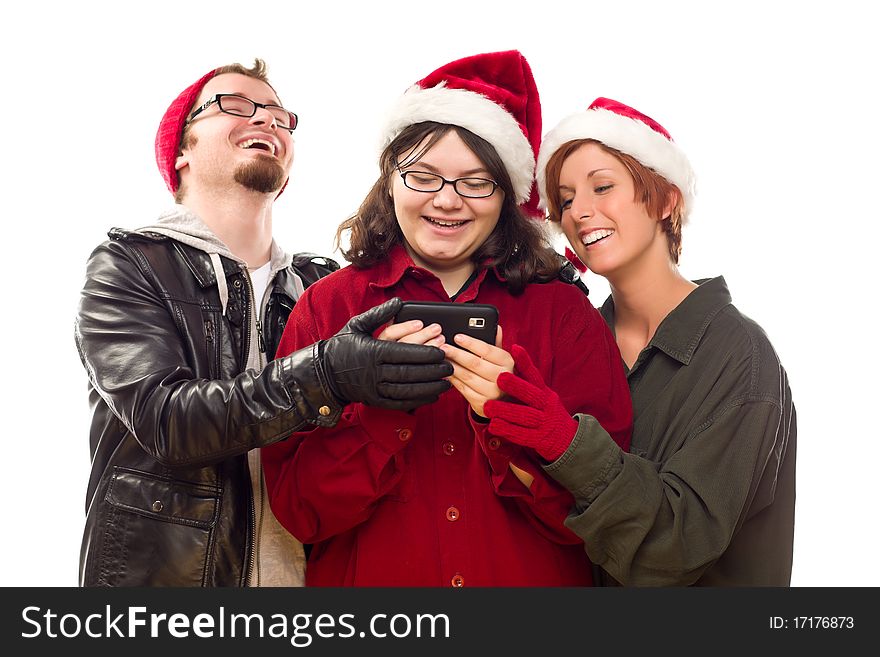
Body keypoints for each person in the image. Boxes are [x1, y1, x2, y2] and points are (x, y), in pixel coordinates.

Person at [74, 58, 453, 587]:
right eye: (236, 105)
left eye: (279, 115)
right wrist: (327, 374)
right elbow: (165, 420)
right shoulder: (130, 263)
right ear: (181, 150)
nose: (266, 121)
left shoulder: (321, 286)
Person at [261, 51, 632, 587]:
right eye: (424, 176)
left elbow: (603, 519)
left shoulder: (564, 313)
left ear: (505, 198)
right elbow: (300, 512)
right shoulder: (326, 307)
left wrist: (515, 418)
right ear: (390, 181)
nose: (448, 201)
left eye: (476, 182)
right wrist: (382, 412)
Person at [483, 97, 796, 585]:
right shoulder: (578, 339)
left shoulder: (740, 355)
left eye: (602, 187)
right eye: (564, 201)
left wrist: (567, 445)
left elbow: (676, 546)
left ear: (667, 200)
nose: (580, 212)